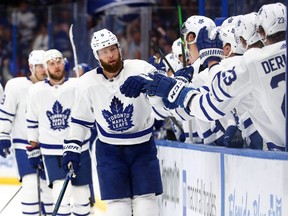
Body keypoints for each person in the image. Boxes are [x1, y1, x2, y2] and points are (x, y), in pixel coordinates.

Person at [138, 2, 286, 150]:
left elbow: (209, 106)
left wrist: (176, 90)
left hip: (273, 154)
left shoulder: (247, 62)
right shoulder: (245, 61)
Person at [62, 28, 163, 216]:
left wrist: (149, 85)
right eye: (104, 52)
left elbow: (163, 104)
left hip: (143, 148)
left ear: (119, 49)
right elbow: (80, 120)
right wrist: (73, 147)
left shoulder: (141, 69)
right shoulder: (86, 83)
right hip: (109, 151)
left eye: (112, 49)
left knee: (146, 207)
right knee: (118, 209)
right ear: (96, 55)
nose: (110, 55)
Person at [26, 49, 92, 215]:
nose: (56, 66)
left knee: (82, 195)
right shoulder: (36, 91)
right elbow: (32, 121)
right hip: (51, 152)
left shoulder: (77, 86)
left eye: (58, 62)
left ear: (64, 63)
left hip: (79, 149)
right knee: (60, 196)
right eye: (51, 63)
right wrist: (33, 148)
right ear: (46, 68)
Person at [0, 50, 53, 215]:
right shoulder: (16, 86)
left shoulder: (53, 87)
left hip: (49, 146)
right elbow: (6, 113)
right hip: (24, 145)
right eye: (40, 66)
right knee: (30, 186)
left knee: (49, 188)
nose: (44, 70)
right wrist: (2, 135)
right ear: (31, 67)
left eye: (46, 65)